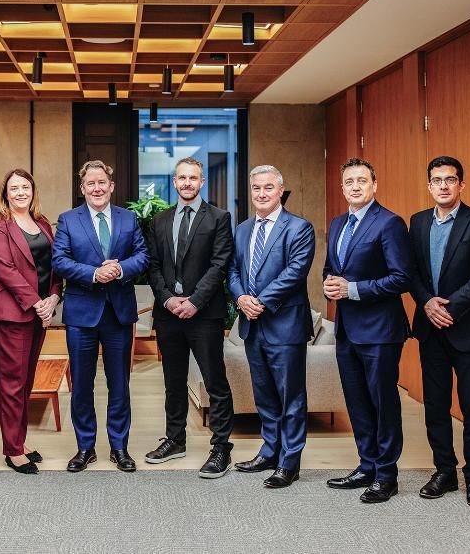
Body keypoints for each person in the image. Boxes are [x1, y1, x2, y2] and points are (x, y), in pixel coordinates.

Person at [409, 156, 470, 508]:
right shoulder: (417, 223)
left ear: (462, 184)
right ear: (429, 185)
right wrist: (427, 302)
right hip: (431, 329)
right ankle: (444, 471)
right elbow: (411, 272)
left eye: (450, 179)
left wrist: (449, 306)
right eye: (436, 180)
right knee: (435, 404)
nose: (443, 185)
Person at [323, 157, 411, 504]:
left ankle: (387, 474)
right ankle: (367, 465)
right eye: (349, 182)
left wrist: (352, 289)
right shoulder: (338, 223)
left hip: (380, 330)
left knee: (382, 402)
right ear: (343, 187)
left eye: (362, 180)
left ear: (374, 185)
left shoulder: (389, 223)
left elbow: (401, 277)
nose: (355, 186)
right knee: (357, 402)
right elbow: (333, 268)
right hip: (346, 329)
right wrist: (330, 284)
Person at [52, 160, 149, 473]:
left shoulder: (128, 218)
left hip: (118, 314)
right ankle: (85, 447)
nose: (97, 188)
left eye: (102, 183)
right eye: (90, 184)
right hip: (82, 314)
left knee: (119, 384)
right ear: (82, 189)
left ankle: (119, 447)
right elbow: (60, 261)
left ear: (111, 186)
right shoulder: (68, 220)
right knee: (82, 384)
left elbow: (142, 256)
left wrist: (119, 269)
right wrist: (95, 273)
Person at [144, 157, 235, 479]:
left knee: (215, 382)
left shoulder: (219, 218)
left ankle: (221, 446)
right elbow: (152, 265)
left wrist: (194, 302)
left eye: (193, 178)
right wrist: (168, 300)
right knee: (172, 380)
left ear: (202, 181)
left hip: (204, 314)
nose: (187, 183)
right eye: (181, 178)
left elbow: (220, 264)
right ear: (174, 181)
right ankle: (175, 439)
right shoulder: (159, 220)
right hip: (169, 315)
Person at [228, 165, 315, 488]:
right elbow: (233, 271)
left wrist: (258, 301)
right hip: (252, 325)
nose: (261, 194)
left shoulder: (299, 228)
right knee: (264, 395)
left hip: (285, 324)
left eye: (268, 188)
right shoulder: (242, 229)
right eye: (256, 189)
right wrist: (241, 299)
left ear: (280, 191)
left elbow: (295, 272)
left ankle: (289, 462)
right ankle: (270, 450)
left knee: (291, 396)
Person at [0, 169, 62, 475]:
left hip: (39, 313)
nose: (20, 193)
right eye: (14, 188)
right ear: (5, 193)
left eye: (25, 187)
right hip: (12, 314)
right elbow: (6, 271)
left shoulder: (42, 223)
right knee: (11, 383)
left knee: (26, 380)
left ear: (33, 191)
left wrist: (53, 297)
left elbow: (54, 267)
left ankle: (19, 440)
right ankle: (12, 450)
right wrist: (36, 303)